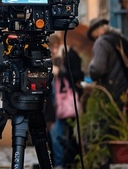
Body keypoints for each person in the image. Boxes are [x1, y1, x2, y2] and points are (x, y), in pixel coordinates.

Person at [49, 34, 85, 169]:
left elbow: (77, 75)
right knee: (59, 133)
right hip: (57, 103)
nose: (53, 50)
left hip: (66, 102)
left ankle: (61, 162)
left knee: (60, 133)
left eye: (55, 46)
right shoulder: (53, 58)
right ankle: (63, 161)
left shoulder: (69, 54)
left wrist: (61, 72)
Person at [87, 17, 128, 106]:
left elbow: (98, 68)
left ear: (96, 32)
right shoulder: (120, 38)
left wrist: (91, 70)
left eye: (94, 36)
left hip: (115, 90)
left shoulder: (101, 42)